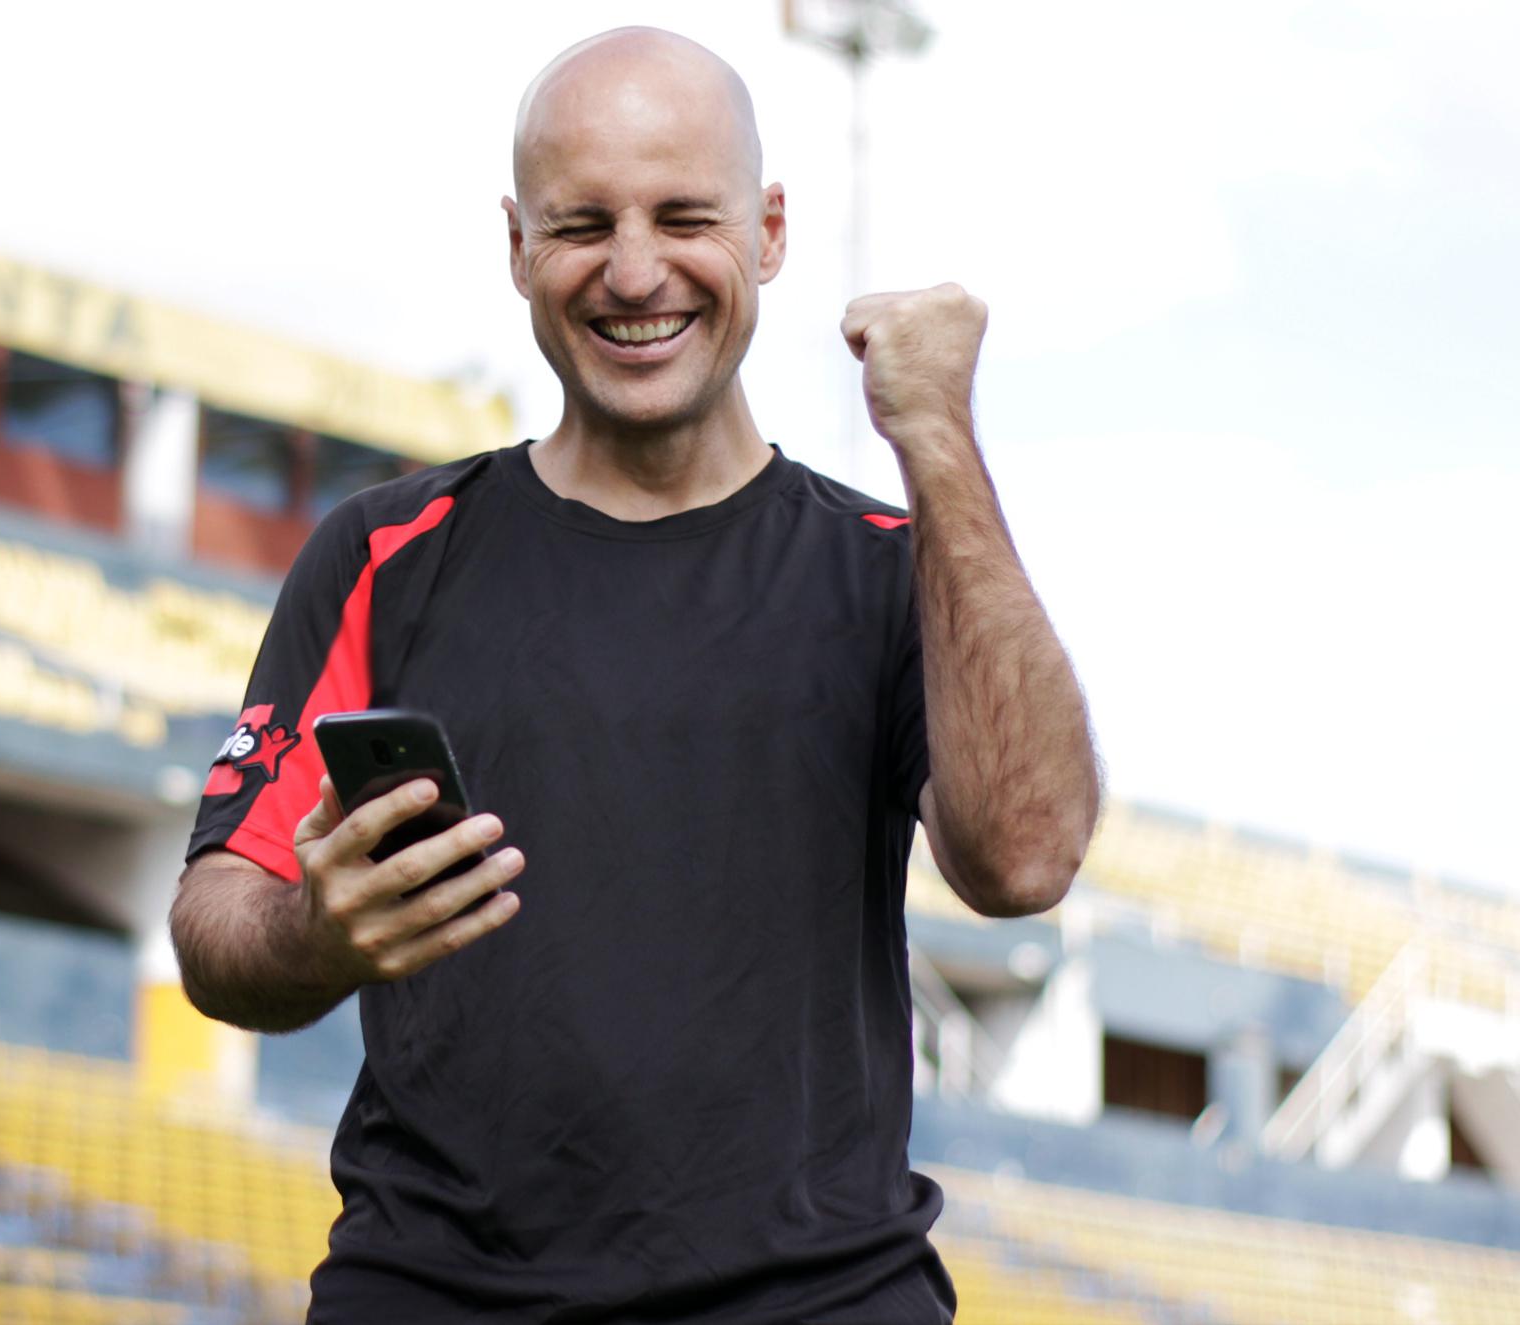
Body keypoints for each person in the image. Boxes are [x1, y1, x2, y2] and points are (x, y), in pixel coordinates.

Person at [169, 25, 1099, 1325]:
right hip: (436, 1293)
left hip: (822, 1299)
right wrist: (309, 931)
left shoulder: (897, 570)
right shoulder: (384, 554)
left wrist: (936, 435)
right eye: (582, 224)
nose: (636, 270)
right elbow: (217, 919)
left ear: (769, 231)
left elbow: (1026, 860)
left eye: (684, 217)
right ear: (517, 248)